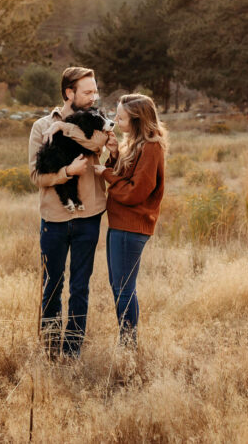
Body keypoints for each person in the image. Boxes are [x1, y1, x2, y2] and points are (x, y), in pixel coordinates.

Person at [28, 66, 117, 359]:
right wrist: (67, 171)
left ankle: (72, 351)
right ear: (69, 93)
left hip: (89, 217)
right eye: (88, 91)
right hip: (53, 219)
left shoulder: (96, 123)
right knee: (52, 285)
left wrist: (111, 150)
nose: (95, 96)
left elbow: (98, 145)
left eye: (96, 90)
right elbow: (36, 176)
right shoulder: (42, 127)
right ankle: (51, 348)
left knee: (80, 287)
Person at [93, 93, 167, 349]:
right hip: (120, 225)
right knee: (119, 287)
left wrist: (107, 175)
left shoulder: (151, 146)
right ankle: (127, 344)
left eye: (121, 117)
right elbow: (123, 175)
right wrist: (113, 155)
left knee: (124, 289)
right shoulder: (134, 143)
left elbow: (136, 191)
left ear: (137, 119)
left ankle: (127, 347)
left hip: (131, 225)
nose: (115, 121)